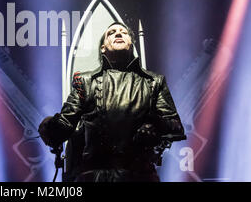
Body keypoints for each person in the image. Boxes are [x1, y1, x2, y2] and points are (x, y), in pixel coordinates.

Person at [38, 22, 185, 182]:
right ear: (103, 48)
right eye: (112, 32)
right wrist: (51, 127)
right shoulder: (85, 81)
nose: (118, 34)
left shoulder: (154, 82)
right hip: (95, 176)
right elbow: (66, 123)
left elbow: (175, 126)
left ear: (131, 44)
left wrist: (155, 125)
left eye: (124, 32)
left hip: (140, 175)